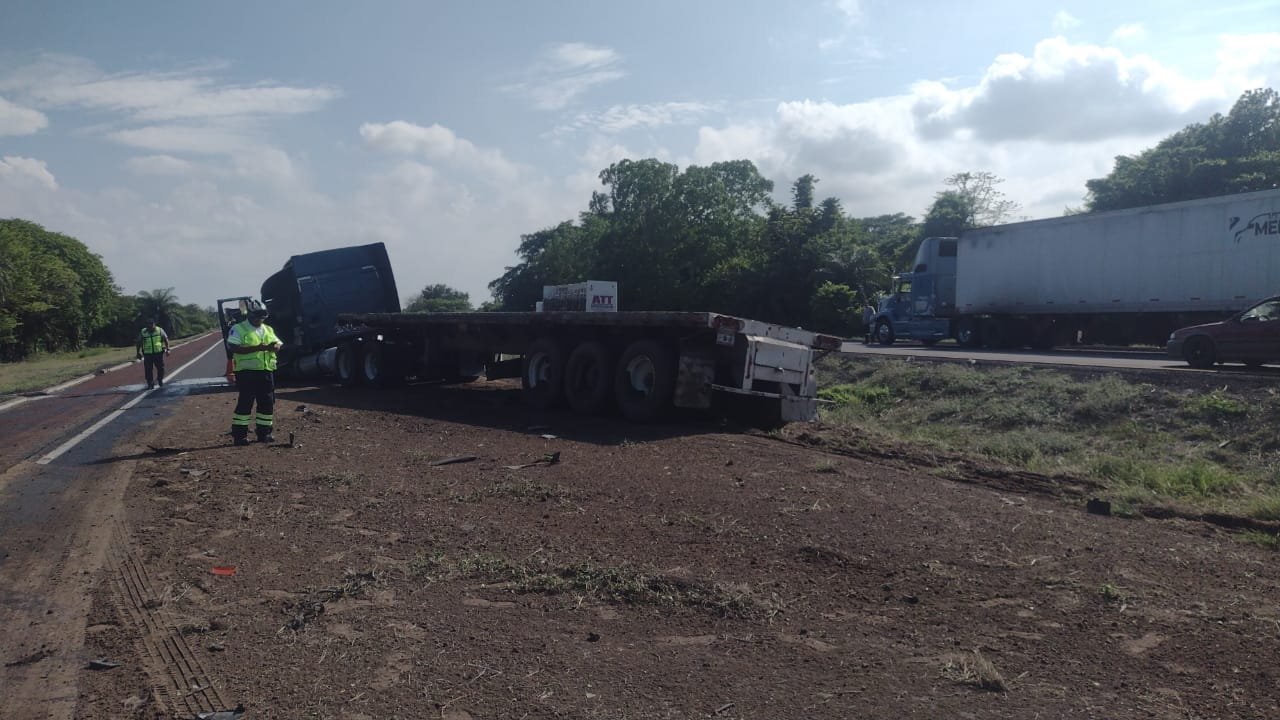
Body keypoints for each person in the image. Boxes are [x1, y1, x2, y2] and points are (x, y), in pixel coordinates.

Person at [227, 307, 283, 446]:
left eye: (262, 318)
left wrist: (275, 347)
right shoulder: (238, 328)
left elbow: (277, 343)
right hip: (247, 372)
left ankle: (264, 433)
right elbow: (233, 347)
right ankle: (240, 436)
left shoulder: (268, 329)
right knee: (246, 402)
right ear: (250, 316)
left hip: (266, 370)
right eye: (257, 318)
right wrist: (258, 348)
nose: (259, 321)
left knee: (267, 402)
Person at [136, 318, 171, 389]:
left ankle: (160, 379)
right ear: (146, 326)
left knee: (161, 368)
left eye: (151, 325)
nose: (150, 327)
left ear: (154, 324)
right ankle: (150, 383)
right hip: (147, 354)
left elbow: (166, 339)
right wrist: (138, 352)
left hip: (158, 353)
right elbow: (139, 342)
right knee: (148, 369)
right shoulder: (143, 332)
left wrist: (168, 349)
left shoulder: (160, 330)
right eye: (148, 325)